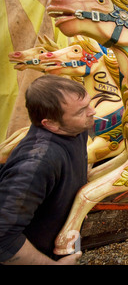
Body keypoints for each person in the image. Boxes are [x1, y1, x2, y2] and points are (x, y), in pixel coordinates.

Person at [0, 74, 96, 264]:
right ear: (50, 123)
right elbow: (3, 238)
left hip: (62, 243)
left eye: (88, 103)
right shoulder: (36, 164)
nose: (92, 111)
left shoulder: (76, 130)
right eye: (81, 111)